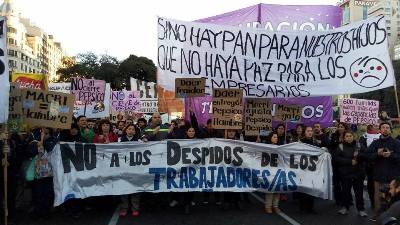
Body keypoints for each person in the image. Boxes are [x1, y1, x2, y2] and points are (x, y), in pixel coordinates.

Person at [367, 122, 400, 214]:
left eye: (387, 127)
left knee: (391, 197)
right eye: (383, 127)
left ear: (390, 130)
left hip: (392, 176)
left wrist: (391, 155)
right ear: (380, 130)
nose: (385, 129)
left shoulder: (396, 142)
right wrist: (377, 154)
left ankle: (392, 217)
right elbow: (368, 156)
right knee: (378, 197)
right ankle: (378, 216)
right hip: (378, 175)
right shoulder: (375, 143)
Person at [26, 127, 58, 219]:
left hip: (50, 172)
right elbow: (29, 152)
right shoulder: (34, 140)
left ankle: (46, 211)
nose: (45, 129)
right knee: (38, 193)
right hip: (37, 173)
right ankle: (38, 211)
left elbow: (52, 150)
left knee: (48, 192)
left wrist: (44, 141)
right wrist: (37, 144)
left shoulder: (54, 140)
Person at [335, 131, 368, 217]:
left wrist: (359, 155)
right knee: (345, 191)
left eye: (350, 136)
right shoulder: (340, 146)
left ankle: (361, 209)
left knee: (359, 192)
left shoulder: (359, 145)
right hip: (345, 173)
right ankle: (345, 208)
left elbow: (366, 155)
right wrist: (349, 161)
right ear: (344, 137)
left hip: (358, 173)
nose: (349, 138)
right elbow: (336, 158)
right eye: (347, 136)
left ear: (353, 137)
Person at [119, 124, 141, 217]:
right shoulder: (119, 140)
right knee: (123, 188)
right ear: (126, 130)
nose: (131, 131)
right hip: (123, 168)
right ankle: (124, 208)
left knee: (135, 189)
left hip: (135, 168)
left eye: (133, 129)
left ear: (135, 132)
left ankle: (135, 208)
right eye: (129, 129)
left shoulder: (139, 141)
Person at [298, 126, 320, 214]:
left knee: (311, 188)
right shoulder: (300, 142)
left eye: (311, 131)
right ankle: (302, 207)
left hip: (312, 169)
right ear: (304, 132)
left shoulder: (315, 142)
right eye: (308, 131)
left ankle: (310, 207)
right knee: (303, 188)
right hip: (302, 169)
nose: (310, 132)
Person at [360, 124, 381, 209]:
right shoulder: (364, 136)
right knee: (371, 184)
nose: (377, 127)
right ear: (370, 126)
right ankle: (373, 202)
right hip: (369, 164)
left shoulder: (381, 135)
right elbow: (362, 149)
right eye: (375, 125)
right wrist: (372, 153)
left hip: (380, 164)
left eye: (377, 125)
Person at [329, 122, 347, 206]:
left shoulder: (348, 135)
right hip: (336, 162)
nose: (340, 128)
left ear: (345, 128)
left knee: (345, 182)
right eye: (339, 127)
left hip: (345, 162)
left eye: (342, 127)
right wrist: (338, 142)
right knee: (336, 182)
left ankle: (347, 199)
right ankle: (338, 199)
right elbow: (331, 146)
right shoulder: (334, 135)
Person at [264, 132, 282, 214]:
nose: (276, 138)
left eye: (277, 137)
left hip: (278, 171)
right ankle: (268, 206)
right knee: (270, 189)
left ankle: (275, 206)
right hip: (269, 171)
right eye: (274, 137)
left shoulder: (280, 148)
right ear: (270, 138)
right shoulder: (265, 147)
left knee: (277, 189)